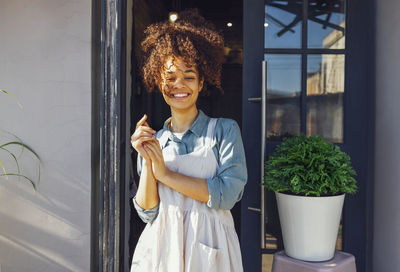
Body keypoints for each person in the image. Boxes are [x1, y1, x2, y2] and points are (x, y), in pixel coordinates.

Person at [130, 9, 247, 272]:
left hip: (210, 247)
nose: (179, 85)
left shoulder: (224, 131)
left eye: (189, 76)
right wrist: (148, 160)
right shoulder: (154, 139)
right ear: (159, 83)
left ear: (201, 81)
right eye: (170, 77)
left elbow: (227, 195)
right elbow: (148, 212)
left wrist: (166, 174)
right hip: (161, 248)